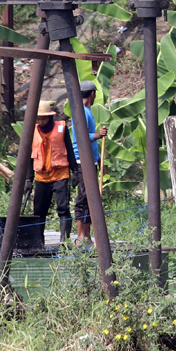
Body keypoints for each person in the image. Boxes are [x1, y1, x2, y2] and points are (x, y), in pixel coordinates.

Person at [26, 100, 77, 245]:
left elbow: (70, 150)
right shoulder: (32, 131)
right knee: (39, 211)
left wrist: (76, 172)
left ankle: (64, 241)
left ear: (50, 117)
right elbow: (29, 157)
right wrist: (28, 180)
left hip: (60, 175)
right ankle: (39, 242)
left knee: (63, 208)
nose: (41, 121)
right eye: (38, 118)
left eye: (43, 118)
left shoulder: (61, 128)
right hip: (41, 177)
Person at [72, 80, 108, 245]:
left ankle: (86, 235)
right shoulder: (81, 112)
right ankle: (82, 236)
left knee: (89, 198)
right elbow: (81, 137)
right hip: (82, 161)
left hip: (90, 161)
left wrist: (99, 160)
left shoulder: (86, 111)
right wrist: (98, 135)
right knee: (84, 197)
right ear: (92, 94)